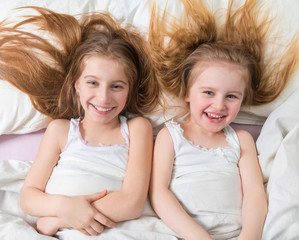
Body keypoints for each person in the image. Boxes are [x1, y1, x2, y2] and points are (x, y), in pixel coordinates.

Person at [0, 7, 160, 237]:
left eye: (116, 86)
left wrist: (59, 220)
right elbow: (29, 197)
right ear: (77, 85)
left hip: (116, 230)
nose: (104, 98)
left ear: (129, 89)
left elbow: (132, 202)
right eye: (92, 83)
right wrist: (65, 208)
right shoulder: (60, 130)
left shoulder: (137, 129)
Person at [149, 0, 298, 239]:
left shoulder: (241, 140)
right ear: (187, 93)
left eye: (231, 96)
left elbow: (254, 196)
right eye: (208, 92)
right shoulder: (171, 136)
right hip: (183, 234)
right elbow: (158, 193)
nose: (219, 105)